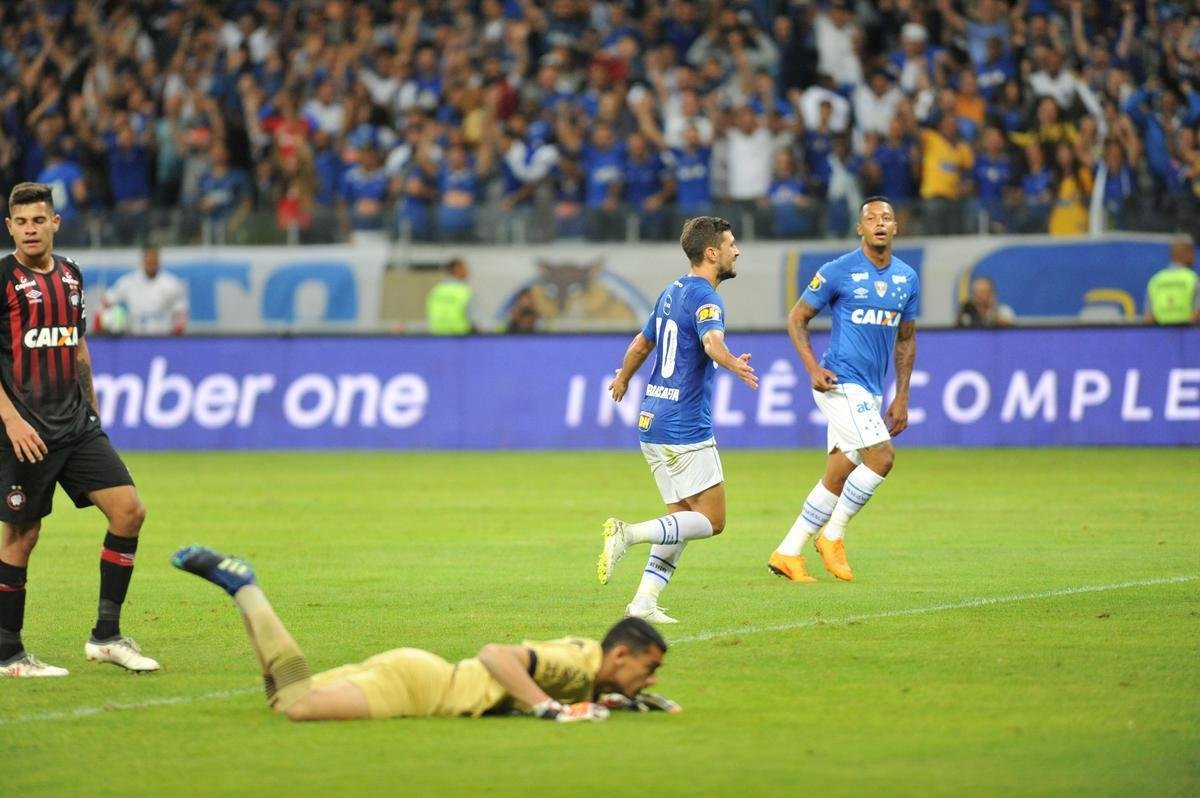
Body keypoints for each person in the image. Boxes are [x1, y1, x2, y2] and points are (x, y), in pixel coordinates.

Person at [172, 545, 678, 721]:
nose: (652, 677)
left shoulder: (589, 661)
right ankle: (246, 589)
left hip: (419, 673)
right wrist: (548, 708)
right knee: (298, 705)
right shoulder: (574, 665)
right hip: (419, 690)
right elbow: (497, 655)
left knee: (282, 698)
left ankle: (240, 590)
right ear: (620, 655)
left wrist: (621, 701)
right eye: (649, 668)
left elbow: (580, 688)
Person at [0, 183, 158, 677]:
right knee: (22, 536)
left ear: (55, 222)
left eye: (38, 220)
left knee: (129, 511)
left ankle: (106, 637)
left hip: (77, 426)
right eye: (21, 222)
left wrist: (93, 412)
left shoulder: (71, 274)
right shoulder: (2, 278)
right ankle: (8, 653)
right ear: (10, 228)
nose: (30, 229)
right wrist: (10, 420)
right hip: (25, 433)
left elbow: (77, 345)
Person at [598, 216, 759, 623]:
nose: (737, 251)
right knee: (712, 521)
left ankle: (643, 603)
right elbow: (712, 341)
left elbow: (642, 343)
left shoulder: (671, 291)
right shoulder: (707, 298)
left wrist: (623, 378)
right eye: (731, 244)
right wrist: (733, 364)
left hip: (652, 419)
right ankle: (629, 534)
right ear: (712, 253)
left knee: (682, 520)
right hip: (684, 427)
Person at [768, 196, 919, 583]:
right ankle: (833, 535)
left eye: (887, 217)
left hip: (871, 390)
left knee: (837, 475)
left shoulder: (907, 278)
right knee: (882, 457)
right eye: (872, 218)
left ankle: (787, 552)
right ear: (860, 228)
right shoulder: (838, 270)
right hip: (839, 383)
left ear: (896, 227)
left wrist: (902, 395)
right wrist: (812, 368)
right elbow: (797, 318)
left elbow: (905, 339)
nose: (880, 223)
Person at [99, 245, 189, 336]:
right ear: (143, 261)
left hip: (163, 337)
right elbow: (107, 300)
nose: (151, 264)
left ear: (158, 261)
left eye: (154, 261)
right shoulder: (129, 282)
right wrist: (105, 321)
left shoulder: (171, 284)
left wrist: (177, 335)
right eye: (148, 261)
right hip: (136, 337)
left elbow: (180, 312)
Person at [1144, 236, 1199, 325]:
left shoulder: (1156, 280)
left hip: (1161, 333)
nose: (1194, 257)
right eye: (1192, 253)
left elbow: (1149, 318)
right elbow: (1197, 314)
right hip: (1186, 333)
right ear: (1187, 253)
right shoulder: (1193, 279)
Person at [426, 257, 475, 335]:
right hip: (460, 336)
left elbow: (429, 313)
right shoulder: (464, 291)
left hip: (437, 335)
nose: (467, 271)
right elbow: (472, 317)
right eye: (464, 268)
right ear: (456, 269)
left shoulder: (436, 290)